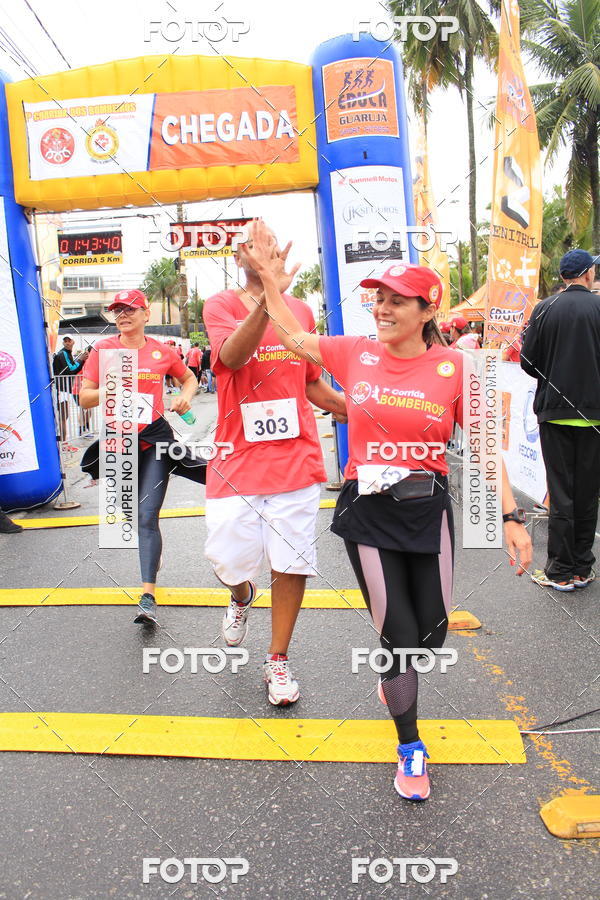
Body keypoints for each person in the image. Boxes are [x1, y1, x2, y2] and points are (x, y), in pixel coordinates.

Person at [243, 219, 532, 800]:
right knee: (398, 635)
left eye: (397, 301)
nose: (382, 308)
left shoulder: (457, 370)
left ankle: (394, 674)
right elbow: (295, 339)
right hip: (368, 508)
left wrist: (509, 518)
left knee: (432, 632)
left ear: (427, 310)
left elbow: (480, 446)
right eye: (378, 297)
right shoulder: (355, 353)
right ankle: (410, 745)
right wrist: (270, 284)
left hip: (428, 509)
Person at [202, 224, 347, 706]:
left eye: (268, 242)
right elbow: (232, 356)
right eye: (251, 245)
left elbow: (311, 383)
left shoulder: (302, 311)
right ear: (239, 255)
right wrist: (269, 294)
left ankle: (278, 659)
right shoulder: (220, 305)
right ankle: (242, 594)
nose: (261, 250)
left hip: (295, 459)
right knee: (226, 560)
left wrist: (368, 411)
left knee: (292, 562)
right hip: (235, 459)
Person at [79, 289, 206, 624]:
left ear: (146, 314)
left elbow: (189, 377)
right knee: (132, 517)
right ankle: (153, 554)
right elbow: (84, 397)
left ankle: (147, 595)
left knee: (147, 515)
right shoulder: (104, 349)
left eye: (130, 308)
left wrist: (185, 396)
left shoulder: (161, 352)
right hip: (119, 444)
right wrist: (108, 387)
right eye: (117, 310)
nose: (123, 314)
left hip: (154, 443)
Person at [521, 248, 600, 591]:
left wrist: (553, 373)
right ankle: (582, 567)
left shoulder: (544, 308)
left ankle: (560, 571)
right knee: (587, 493)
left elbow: (527, 361)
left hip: (555, 413)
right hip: (595, 415)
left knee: (561, 493)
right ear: (586, 274)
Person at [53, 336, 84, 443]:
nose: (67, 343)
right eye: (65, 341)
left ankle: (64, 442)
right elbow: (70, 370)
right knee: (63, 417)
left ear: (73, 342)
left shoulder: (67, 353)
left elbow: (70, 368)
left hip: (65, 389)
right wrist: (81, 360)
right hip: (61, 390)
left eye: (69, 340)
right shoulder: (63, 353)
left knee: (64, 417)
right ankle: (63, 443)